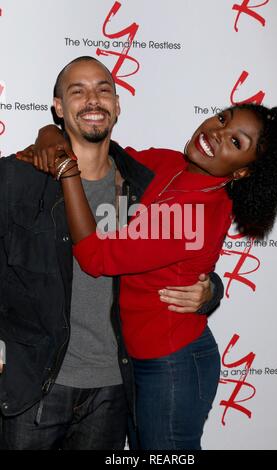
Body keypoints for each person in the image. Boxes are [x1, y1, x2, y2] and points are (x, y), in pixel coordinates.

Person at [17, 56, 277, 449]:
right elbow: (101, 146)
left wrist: (65, 170)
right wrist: (49, 133)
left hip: (171, 365)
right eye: (223, 120)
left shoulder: (198, 216)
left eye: (237, 142)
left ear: (242, 172)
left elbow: (97, 257)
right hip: (134, 361)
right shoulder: (168, 163)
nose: (218, 134)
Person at [0, 56, 224, 450]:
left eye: (103, 90)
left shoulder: (147, 182)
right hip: (35, 386)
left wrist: (211, 290)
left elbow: (187, 251)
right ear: (58, 108)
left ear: (118, 105)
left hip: (114, 390)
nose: (93, 100)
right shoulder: (17, 177)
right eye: (78, 91)